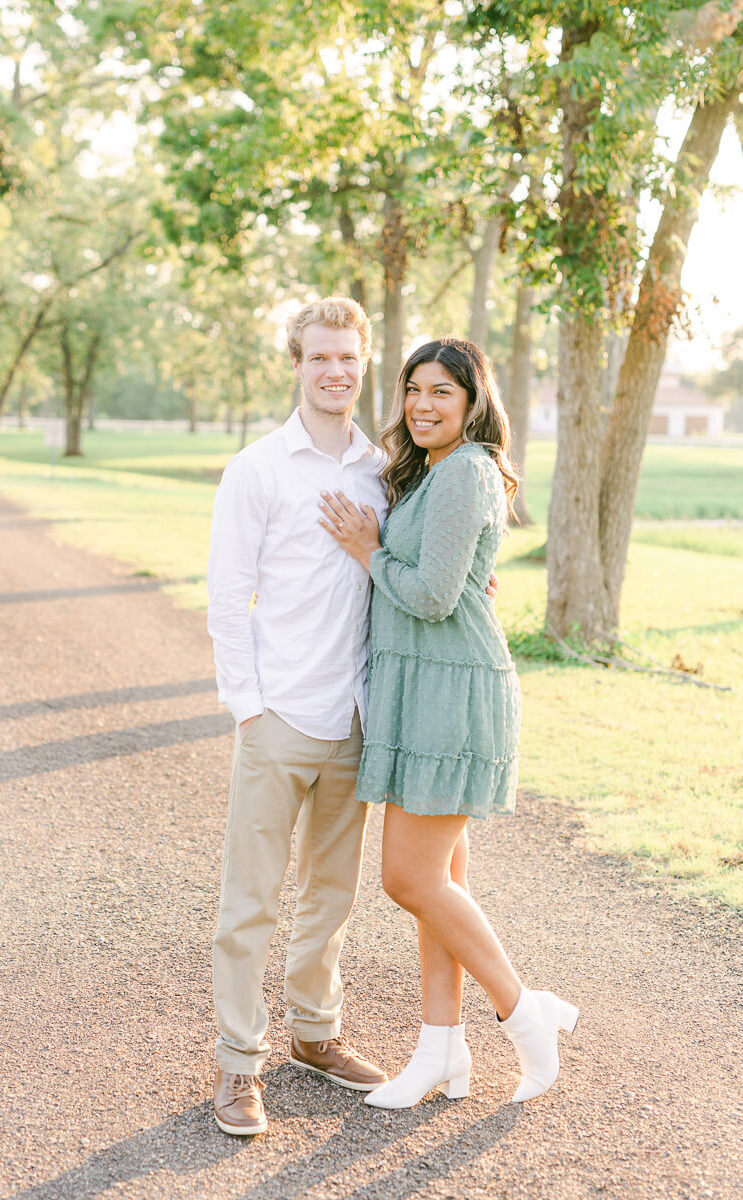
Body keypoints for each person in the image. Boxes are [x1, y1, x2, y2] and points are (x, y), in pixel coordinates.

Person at [318, 337, 578, 1109]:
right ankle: (442, 1052)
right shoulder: (431, 470)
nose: (425, 405)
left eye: (443, 393)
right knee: (442, 884)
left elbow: (431, 596)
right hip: (419, 688)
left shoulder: (465, 469)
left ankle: (525, 1011)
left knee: (410, 878)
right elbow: (454, 575)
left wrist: (369, 551)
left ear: (472, 401)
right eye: (414, 390)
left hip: (453, 693)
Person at [206, 297, 391, 1136]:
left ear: (364, 363)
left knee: (332, 896)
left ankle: (316, 1036)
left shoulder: (381, 468)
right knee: (251, 902)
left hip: (353, 717)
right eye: (320, 357)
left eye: (348, 358)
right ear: (296, 364)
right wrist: (249, 707)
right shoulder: (258, 468)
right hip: (278, 715)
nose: (335, 371)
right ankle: (238, 1066)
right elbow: (226, 595)